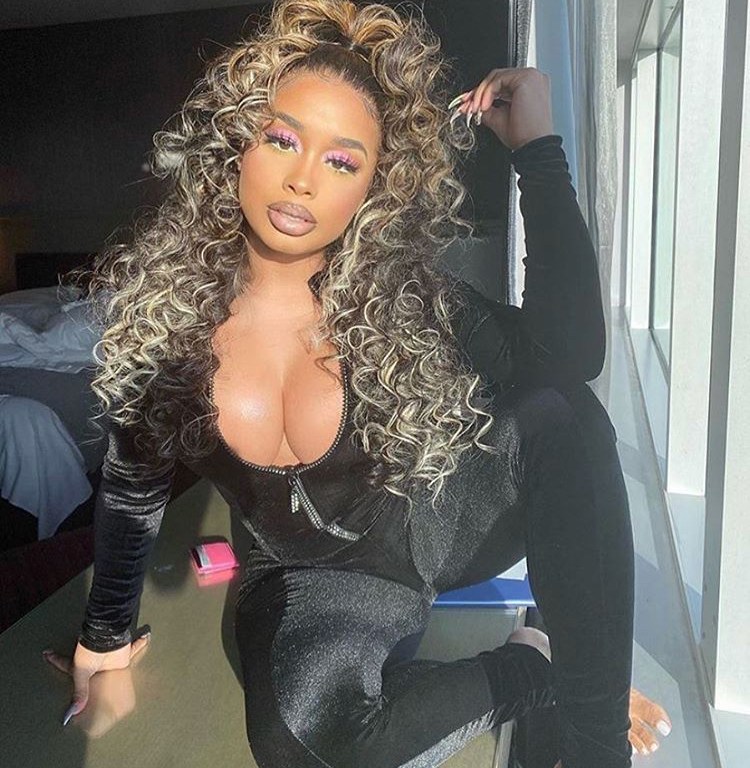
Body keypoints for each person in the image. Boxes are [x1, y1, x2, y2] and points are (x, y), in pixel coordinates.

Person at [43, 1, 673, 765]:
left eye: (342, 162)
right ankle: (536, 667)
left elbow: (570, 353)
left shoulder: (404, 297)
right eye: (282, 139)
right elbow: (131, 487)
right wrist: (104, 639)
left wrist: (538, 151)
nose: (303, 180)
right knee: (298, 745)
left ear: (373, 187)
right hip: (312, 581)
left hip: (439, 521)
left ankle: (596, 740)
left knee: (564, 414)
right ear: (238, 143)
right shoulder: (168, 326)